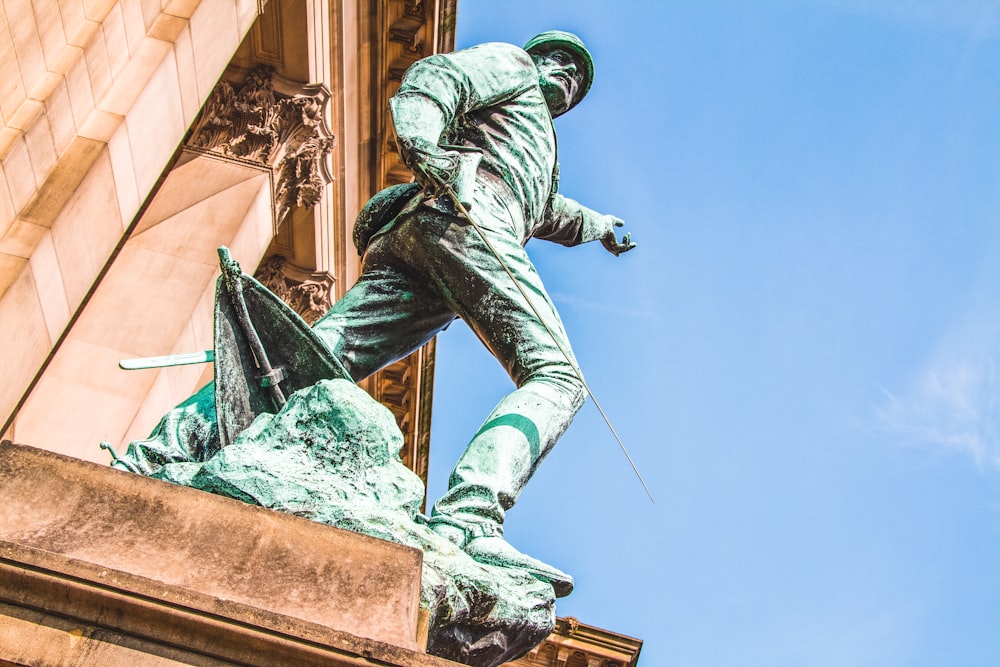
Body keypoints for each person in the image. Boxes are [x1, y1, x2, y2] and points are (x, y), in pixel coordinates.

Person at [118, 31, 634, 598]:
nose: (566, 75)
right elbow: (437, 80)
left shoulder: (536, 145)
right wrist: (423, 146)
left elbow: (542, 207)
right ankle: (470, 517)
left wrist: (598, 225)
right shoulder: (509, 66)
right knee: (557, 379)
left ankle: (173, 444)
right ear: (532, 59)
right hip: (466, 220)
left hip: (436, 240)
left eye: (577, 78)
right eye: (558, 61)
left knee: (314, 354)